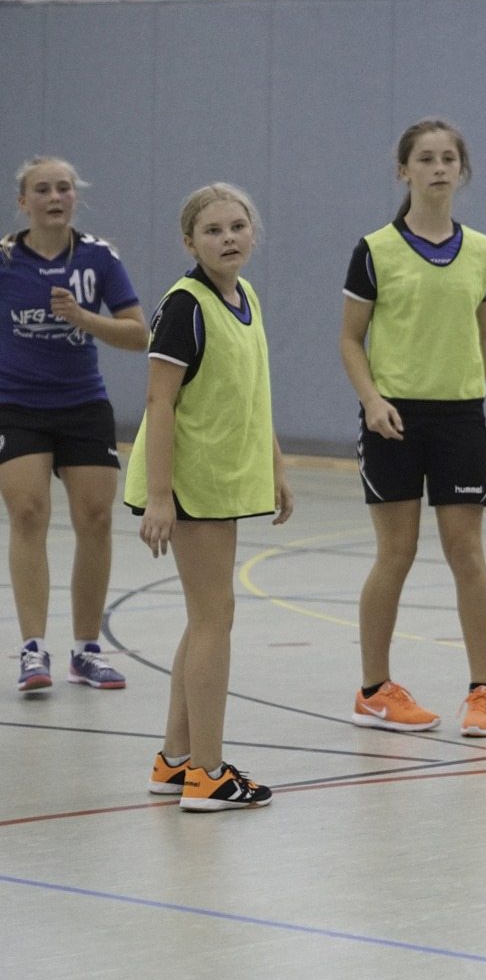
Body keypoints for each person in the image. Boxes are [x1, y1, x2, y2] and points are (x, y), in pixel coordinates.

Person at [341, 118, 486, 738]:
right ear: (404, 171)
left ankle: (482, 692)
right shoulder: (375, 250)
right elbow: (350, 338)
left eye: (449, 158)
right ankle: (374, 691)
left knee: (467, 553)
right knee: (395, 552)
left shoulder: (482, 249)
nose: (439, 167)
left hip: (460, 417)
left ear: (461, 170)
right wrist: (371, 400)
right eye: (426, 158)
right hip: (394, 417)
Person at [129, 183, 292, 812]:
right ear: (189, 242)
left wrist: (274, 464)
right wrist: (160, 497)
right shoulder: (184, 307)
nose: (228, 239)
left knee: (206, 616)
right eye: (213, 230)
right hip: (190, 485)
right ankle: (208, 773)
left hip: (225, 480)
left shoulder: (245, 297)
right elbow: (159, 401)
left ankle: (175, 761)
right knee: (213, 620)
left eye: (237, 227)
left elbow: (252, 390)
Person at [0, 157, 146, 694]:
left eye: (63, 188)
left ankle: (86, 651)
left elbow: (138, 334)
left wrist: (83, 318)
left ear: (75, 197)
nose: (55, 197)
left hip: (82, 403)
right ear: (24, 202)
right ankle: (32, 649)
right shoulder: (5, 260)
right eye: (42, 189)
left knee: (96, 518)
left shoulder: (98, 258)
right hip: (16, 404)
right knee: (28, 513)